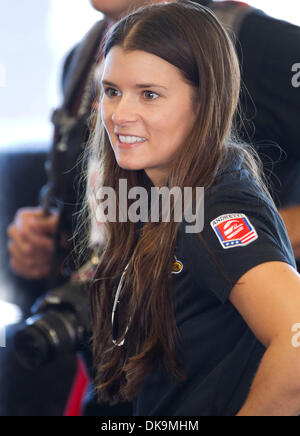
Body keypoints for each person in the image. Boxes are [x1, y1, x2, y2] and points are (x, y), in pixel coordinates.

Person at [88, 1, 300, 416]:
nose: (120, 114)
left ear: (204, 103)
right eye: (112, 91)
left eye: (149, 95)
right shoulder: (156, 192)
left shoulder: (217, 205)